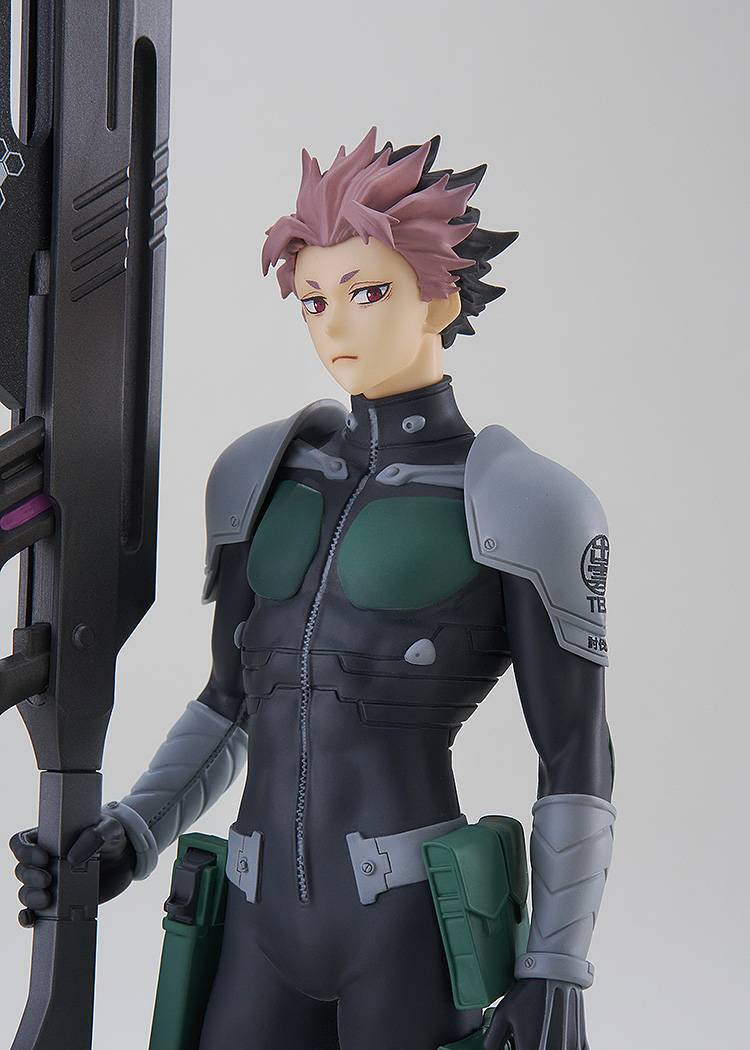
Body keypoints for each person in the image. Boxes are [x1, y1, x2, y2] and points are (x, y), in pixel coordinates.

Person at [11, 127, 615, 1050]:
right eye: (312, 300)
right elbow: (227, 704)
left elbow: (573, 753)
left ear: (440, 296)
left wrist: (556, 970)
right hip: (255, 922)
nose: (335, 327)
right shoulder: (263, 474)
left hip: (405, 925)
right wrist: (131, 833)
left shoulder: (522, 500)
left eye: (367, 293)